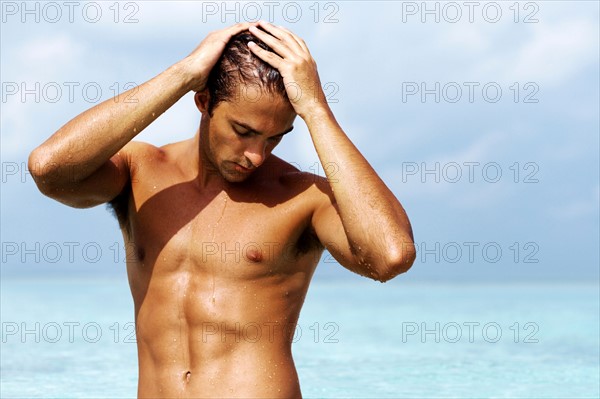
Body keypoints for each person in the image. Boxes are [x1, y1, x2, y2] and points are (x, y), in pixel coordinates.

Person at [28, 21, 416, 398]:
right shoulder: (141, 172)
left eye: (275, 138)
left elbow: (390, 256)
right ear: (203, 101)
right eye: (243, 132)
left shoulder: (301, 197)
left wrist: (316, 109)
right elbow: (50, 170)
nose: (256, 156)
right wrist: (185, 73)